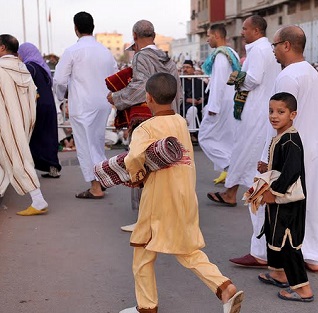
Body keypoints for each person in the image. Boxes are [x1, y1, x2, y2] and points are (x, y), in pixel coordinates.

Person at [119, 73, 244, 313]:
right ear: (175, 96)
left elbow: (134, 157)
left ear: (148, 98)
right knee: (187, 250)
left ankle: (146, 306)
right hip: (185, 194)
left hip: (158, 197)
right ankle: (224, 287)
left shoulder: (145, 128)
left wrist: (135, 175)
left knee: (143, 251)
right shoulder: (180, 122)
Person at [207, 15, 281, 269]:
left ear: (257, 30)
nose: (243, 32)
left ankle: (261, 250)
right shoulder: (262, 49)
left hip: (257, 115)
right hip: (256, 113)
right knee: (245, 160)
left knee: (250, 165)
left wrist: (237, 77)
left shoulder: (260, 50)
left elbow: (253, 79)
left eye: (246, 28)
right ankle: (231, 192)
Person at [251, 25, 318, 273]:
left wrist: (266, 157)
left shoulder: (287, 76)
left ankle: (269, 256)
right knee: (308, 202)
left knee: (275, 203)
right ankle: (312, 255)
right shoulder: (311, 72)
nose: (272, 51)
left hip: (289, 150)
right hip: (311, 147)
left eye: (274, 45)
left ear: (286, 45)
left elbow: (278, 119)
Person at [107, 19, 182, 232]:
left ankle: (146, 221)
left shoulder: (141, 56)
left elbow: (140, 87)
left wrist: (116, 97)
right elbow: (178, 90)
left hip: (148, 120)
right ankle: (166, 216)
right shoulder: (167, 58)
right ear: (154, 36)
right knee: (166, 166)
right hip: (170, 116)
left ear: (135, 37)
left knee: (143, 166)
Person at [256, 92, 314, 302]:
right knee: (274, 235)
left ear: (293, 114)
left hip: (288, 203)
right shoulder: (282, 136)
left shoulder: (291, 140)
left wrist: (273, 192)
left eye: (281, 112)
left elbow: (291, 172)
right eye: (271, 111)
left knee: (288, 241)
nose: (274, 115)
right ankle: (279, 274)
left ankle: (303, 289)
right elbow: (281, 167)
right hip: (280, 202)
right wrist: (267, 167)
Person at [54, 12, 117, 199]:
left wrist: (62, 95)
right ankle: (101, 180)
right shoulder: (105, 51)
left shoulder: (72, 51)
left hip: (82, 104)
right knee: (97, 143)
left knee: (85, 146)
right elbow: (115, 76)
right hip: (103, 103)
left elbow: (58, 80)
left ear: (76, 28)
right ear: (93, 27)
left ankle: (96, 187)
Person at [0, 34, 49, 216]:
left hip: (6, 123)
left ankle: (38, 199)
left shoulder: (2, 69)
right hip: (23, 121)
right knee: (9, 159)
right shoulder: (24, 69)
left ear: (2, 48)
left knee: (17, 159)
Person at [198, 23, 240, 184]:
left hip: (221, 103)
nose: (207, 39)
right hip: (230, 101)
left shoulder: (221, 56)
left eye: (208, 35)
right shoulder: (232, 53)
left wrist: (213, 107)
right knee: (225, 138)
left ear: (216, 36)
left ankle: (230, 166)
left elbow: (219, 83)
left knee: (204, 137)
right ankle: (228, 170)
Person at [18, 42, 62, 178]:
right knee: (49, 136)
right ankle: (52, 167)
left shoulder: (29, 67)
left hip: (36, 105)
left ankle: (27, 171)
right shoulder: (42, 67)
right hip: (48, 105)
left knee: (32, 137)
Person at [180, 59, 208, 144]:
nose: (185, 69)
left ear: (193, 69)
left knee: (207, 109)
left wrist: (203, 99)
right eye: (184, 67)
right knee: (192, 109)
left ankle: (206, 133)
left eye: (187, 67)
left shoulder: (199, 82)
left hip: (200, 104)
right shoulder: (180, 81)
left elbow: (208, 93)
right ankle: (191, 134)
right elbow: (177, 96)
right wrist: (187, 99)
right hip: (186, 105)